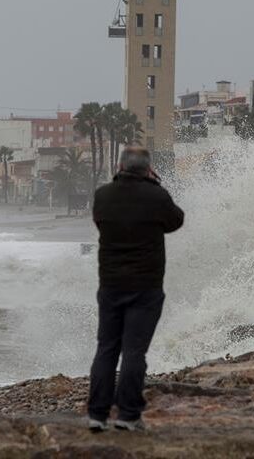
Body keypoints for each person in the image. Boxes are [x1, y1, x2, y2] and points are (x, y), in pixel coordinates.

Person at [87, 147, 184, 432]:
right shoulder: (156, 195)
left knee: (106, 348)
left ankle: (97, 414)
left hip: (110, 285)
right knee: (133, 351)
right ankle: (128, 416)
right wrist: (155, 184)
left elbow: (98, 221)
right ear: (147, 169)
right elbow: (176, 221)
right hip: (145, 287)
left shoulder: (103, 195)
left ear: (120, 166)